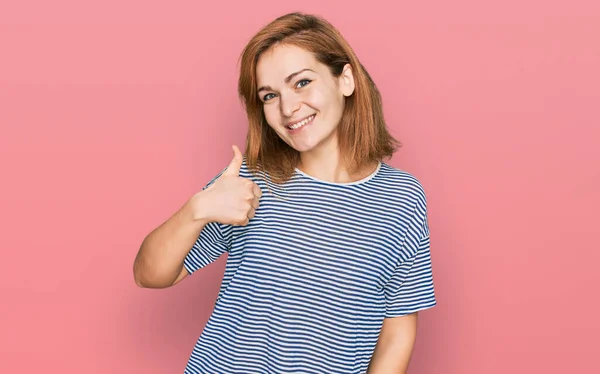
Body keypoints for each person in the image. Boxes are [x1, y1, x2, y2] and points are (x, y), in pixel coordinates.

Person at [133, 12, 437, 374]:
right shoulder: (251, 181)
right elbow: (148, 274)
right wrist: (197, 209)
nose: (288, 108)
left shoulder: (401, 197)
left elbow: (398, 328)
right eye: (269, 96)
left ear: (346, 80)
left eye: (302, 82)